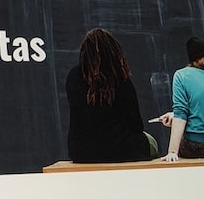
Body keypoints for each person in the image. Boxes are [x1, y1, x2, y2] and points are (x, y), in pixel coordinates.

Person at [65, 28, 158, 162]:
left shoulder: (73, 76)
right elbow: (136, 124)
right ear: (113, 50)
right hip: (120, 148)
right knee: (151, 142)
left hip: (81, 151)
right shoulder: (120, 78)